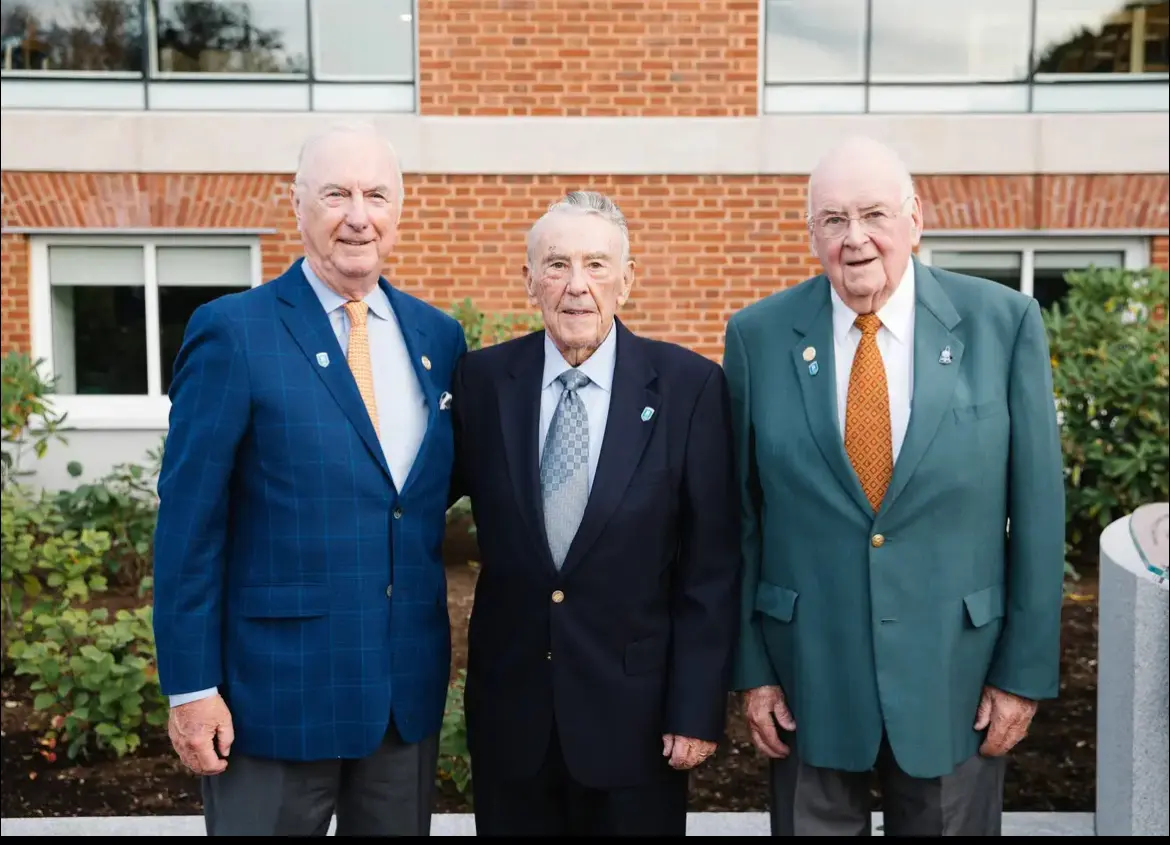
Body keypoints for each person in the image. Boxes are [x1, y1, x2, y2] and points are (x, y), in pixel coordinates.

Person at [723, 136, 1065, 837]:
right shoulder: (757, 336)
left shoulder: (1003, 325)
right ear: (812, 231)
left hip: (958, 674)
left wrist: (1022, 674)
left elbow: (1036, 513)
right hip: (805, 676)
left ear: (916, 218)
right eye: (833, 220)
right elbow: (740, 518)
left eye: (874, 214)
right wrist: (752, 670)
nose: (856, 240)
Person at [151, 122, 467, 836]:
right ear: (296, 207)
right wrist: (193, 688)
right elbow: (188, 523)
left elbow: (411, 499)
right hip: (272, 699)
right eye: (337, 193)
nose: (359, 215)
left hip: (400, 700)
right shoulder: (232, 331)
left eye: (376, 194)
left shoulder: (437, 339)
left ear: (399, 209)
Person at [449, 190, 742, 836]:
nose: (576, 286)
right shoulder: (481, 383)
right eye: (556, 265)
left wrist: (695, 708)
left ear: (627, 280)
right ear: (529, 281)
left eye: (596, 265)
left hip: (636, 724)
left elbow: (710, 566)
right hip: (513, 718)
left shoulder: (689, 388)